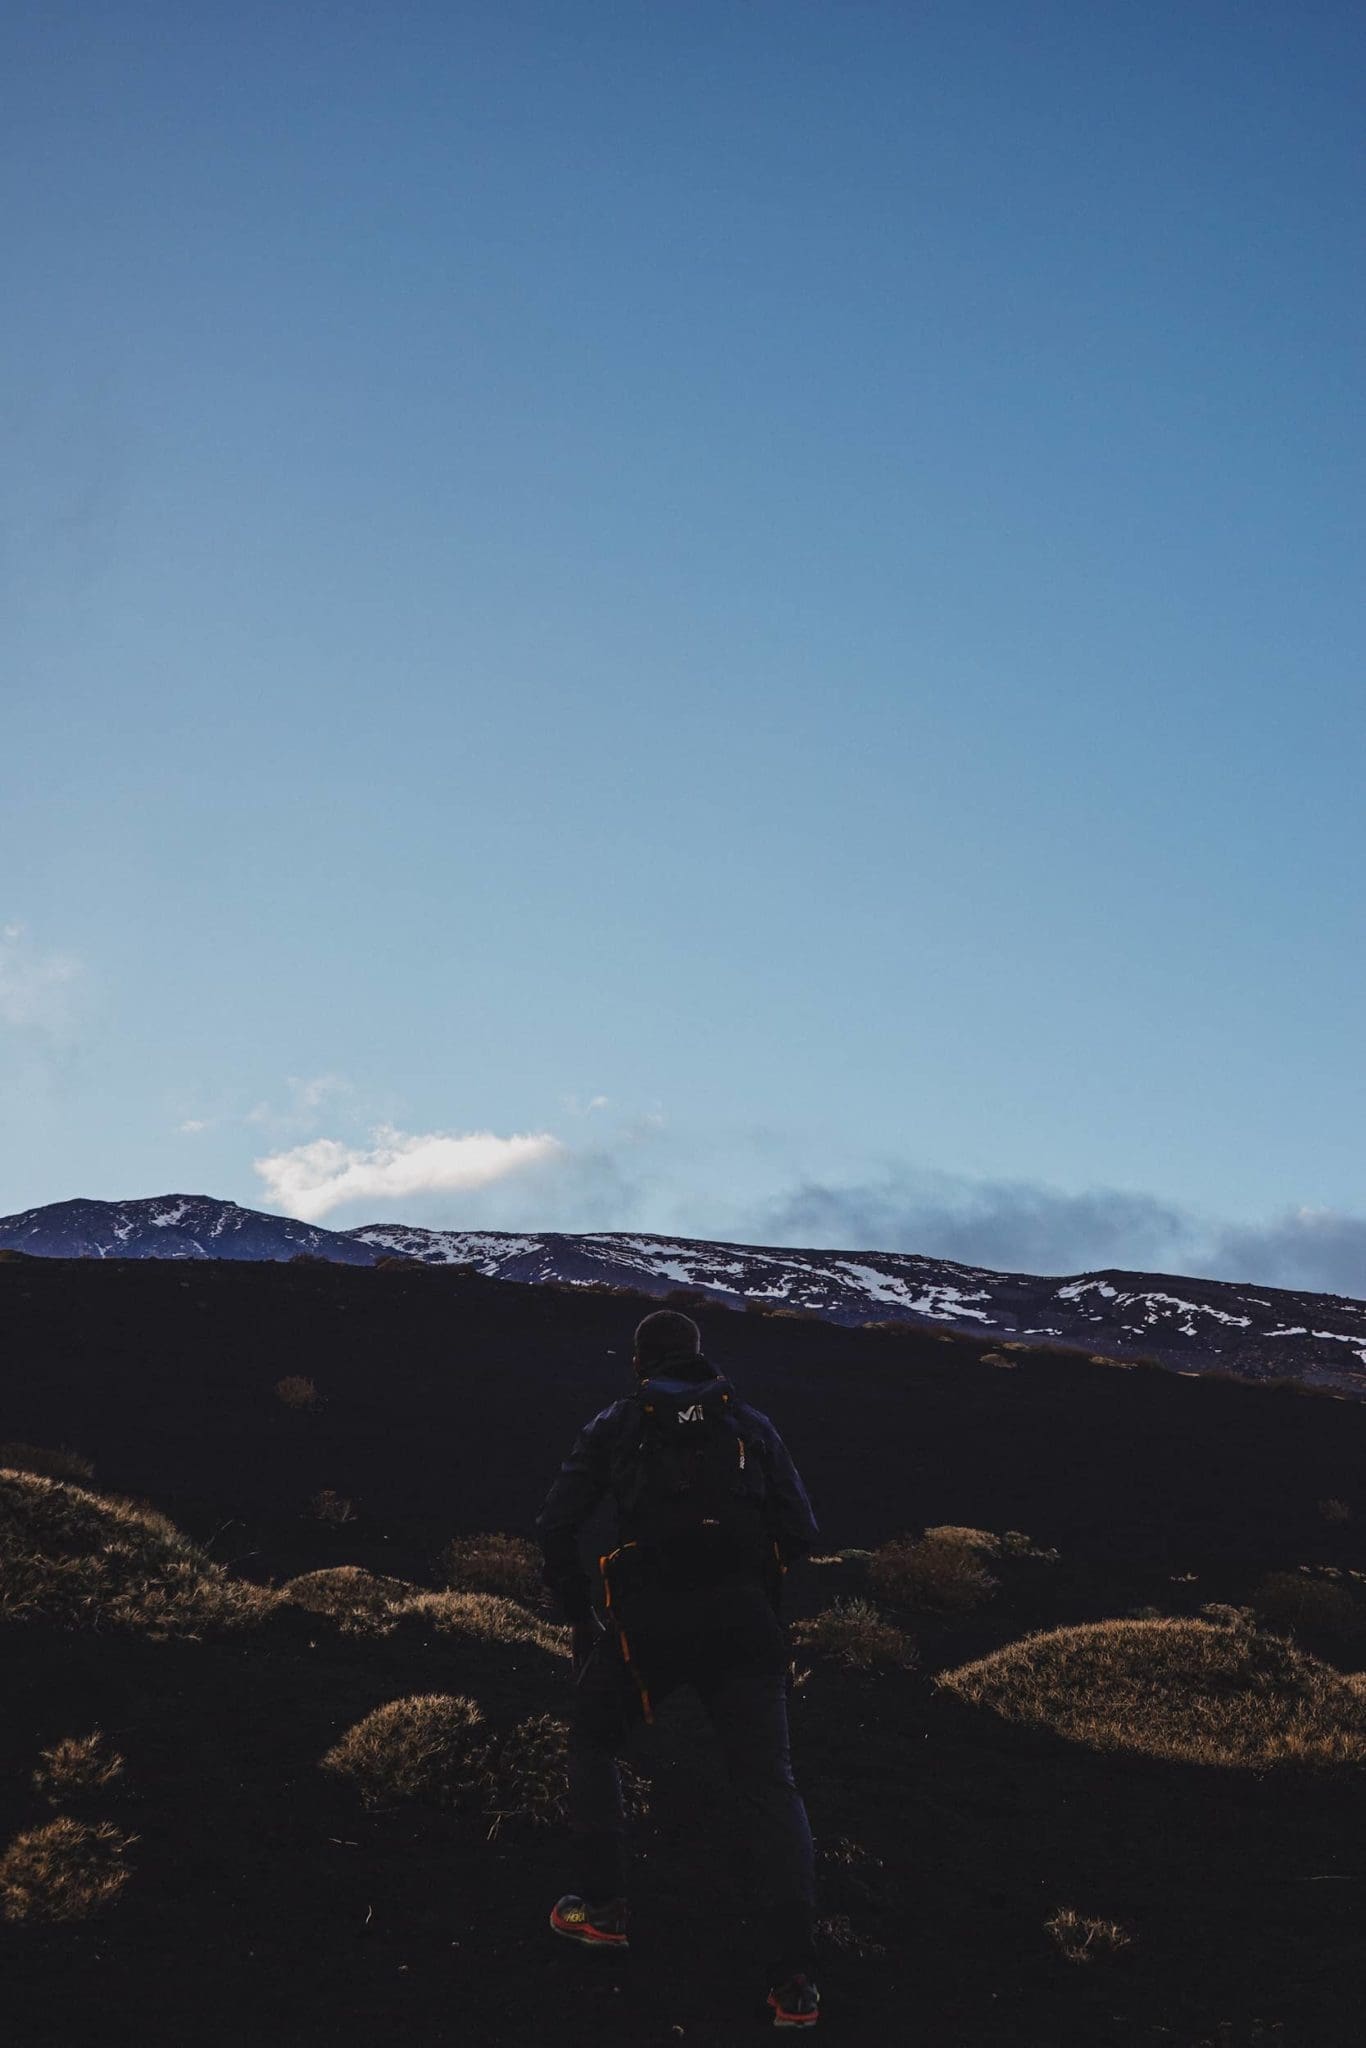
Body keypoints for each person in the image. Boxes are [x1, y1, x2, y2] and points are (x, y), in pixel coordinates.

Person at [535, 1307, 822, 2030]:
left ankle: (602, 1910)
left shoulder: (618, 1423)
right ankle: (793, 1983)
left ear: (638, 1363)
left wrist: (580, 1615)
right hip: (744, 1627)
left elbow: (557, 1524)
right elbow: (801, 1529)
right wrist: (757, 1588)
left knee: (595, 1739)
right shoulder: (749, 1425)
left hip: (647, 1627)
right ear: (699, 1357)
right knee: (768, 1785)